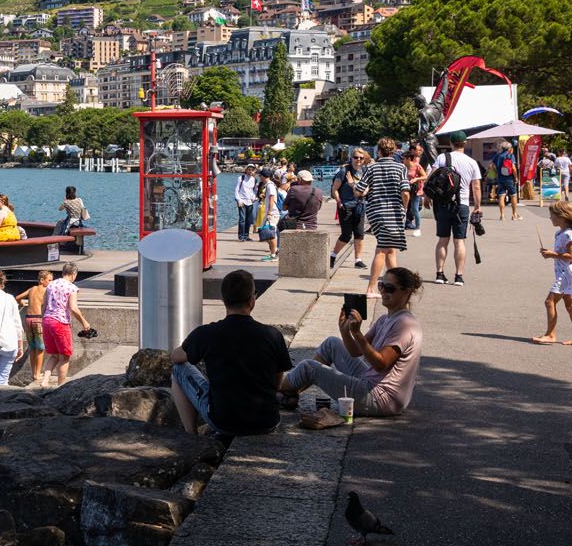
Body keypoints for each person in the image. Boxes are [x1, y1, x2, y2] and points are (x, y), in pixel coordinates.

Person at [280, 267, 424, 416]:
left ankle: (272, 388)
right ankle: (289, 392)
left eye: (389, 288)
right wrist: (345, 330)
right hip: (371, 383)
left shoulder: (404, 324)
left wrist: (357, 333)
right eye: (381, 285)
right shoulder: (385, 319)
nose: (383, 291)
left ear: (406, 292)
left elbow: (381, 364)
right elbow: (355, 351)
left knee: (309, 367)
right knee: (332, 343)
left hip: (381, 398)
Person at [170, 269, 292, 437]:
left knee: (178, 370)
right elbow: (277, 382)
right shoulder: (272, 335)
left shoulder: (206, 333)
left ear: (223, 300)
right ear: (252, 300)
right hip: (267, 421)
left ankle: (191, 434)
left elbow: (176, 357)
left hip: (223, 421)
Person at [354, 137, 412, 297]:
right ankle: (371, 289)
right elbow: (405, 192)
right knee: (382, 250)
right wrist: (405, 208)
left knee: (390, 250)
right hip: (394, 213)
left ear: (379, 151)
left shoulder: (371, 168)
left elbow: (359, 190)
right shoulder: (401, 168)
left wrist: (355, 186)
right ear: (393, 151)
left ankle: (395, 286)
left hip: (376, 212)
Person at [429, 131, 483, 286]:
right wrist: (477, 206)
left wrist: (427, 197)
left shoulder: (442, 158)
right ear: (465, 143)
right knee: (459, 241)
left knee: (442, 240)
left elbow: (432, 178)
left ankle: (439, 274)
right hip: (462, 205)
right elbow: (477, 187)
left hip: (443, 204)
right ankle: (458, 276)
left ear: (451, 143)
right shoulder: (472, 162)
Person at [41, 263, 92, 386]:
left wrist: (42, 319)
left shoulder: (51, 284)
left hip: (47, 320)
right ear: (74, 274)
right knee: (64, 357)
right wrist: (84, 322)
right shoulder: (71, 287)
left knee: (53, 355)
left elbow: (44, 304)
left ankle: (44, 381)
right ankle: (61, 385)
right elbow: (73, 308)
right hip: (60, 323)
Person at [532, 200, 572, 344]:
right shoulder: (560, 233)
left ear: (562, 216)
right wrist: (550, 253)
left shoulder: (568, 235)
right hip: (563, 272)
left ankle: (550, 334)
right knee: (569, 305)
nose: (550, 218)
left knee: (549, 301)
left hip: (566, 273)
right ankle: (550, 334)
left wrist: (552, 255)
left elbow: (571, 256)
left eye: (552, 215)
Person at [330, 150, 369, 271]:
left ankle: (358, 260)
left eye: (361, 158)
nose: (358, 160)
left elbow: (367, 189)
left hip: (360, 205)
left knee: (359, 234)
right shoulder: (344, 171)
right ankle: (333, 256)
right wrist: (339, 202)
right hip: (346, 206)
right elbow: (334, 189)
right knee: (346, 235)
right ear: (351, 158)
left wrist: (359, 189)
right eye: (356, 157)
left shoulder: (365, 171)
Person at [15, 270, 52, 385]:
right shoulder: (46, 290)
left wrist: (21, 303)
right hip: (38, 320)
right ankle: (37, 374)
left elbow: (17, 297)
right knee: (40, 348)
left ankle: (33, 373)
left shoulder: (32, 289)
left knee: (32, 347)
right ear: (42, 280)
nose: (51, 283)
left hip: (28, 319)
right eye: (49, 280)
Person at [493, 141, 521, 221]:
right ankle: (514, 215)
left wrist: (497, 172)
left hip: (500, 178)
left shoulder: (498, 156)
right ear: (509, 148)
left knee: (501, 196)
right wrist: (516, 177)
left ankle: (502, 215)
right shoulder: (510, 155)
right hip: (509, 178)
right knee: (513, 195)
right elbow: (513, 168)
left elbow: (491, 166)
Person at [403, 146, 427, 237]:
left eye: (404, 159)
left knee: (414, 208)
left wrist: (416, 179)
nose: (403, 161)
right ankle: (401, 227)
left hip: (414, 190)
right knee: (403, 208)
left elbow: (425, 176)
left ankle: (417, 228)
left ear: (409, 159)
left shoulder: (417, 166)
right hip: (405, 189)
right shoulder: (403, 167)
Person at [259, 171, 280, 261]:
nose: (259, 177)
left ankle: (274, 254)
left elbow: (272, 199)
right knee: (267, 233)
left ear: (263, 176)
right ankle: (273, 251)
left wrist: (269, 213)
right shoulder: (269, 185)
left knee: (270, 234)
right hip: (270, 212)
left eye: (260, 175)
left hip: (272, 213)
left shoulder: (270, 185)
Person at [235, 164, 258, 241]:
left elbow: (254, 190)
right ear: (246, 170)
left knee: (248, 219)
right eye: (249, 169)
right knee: (242, 219)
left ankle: (246, 235)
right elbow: (236, 190)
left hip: (250, 202)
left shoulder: (254, 179)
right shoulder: (241, 178)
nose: (250, 171)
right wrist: (239, 200)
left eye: (252, 169)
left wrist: (253, 198)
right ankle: (241, 236)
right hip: (242, 201)